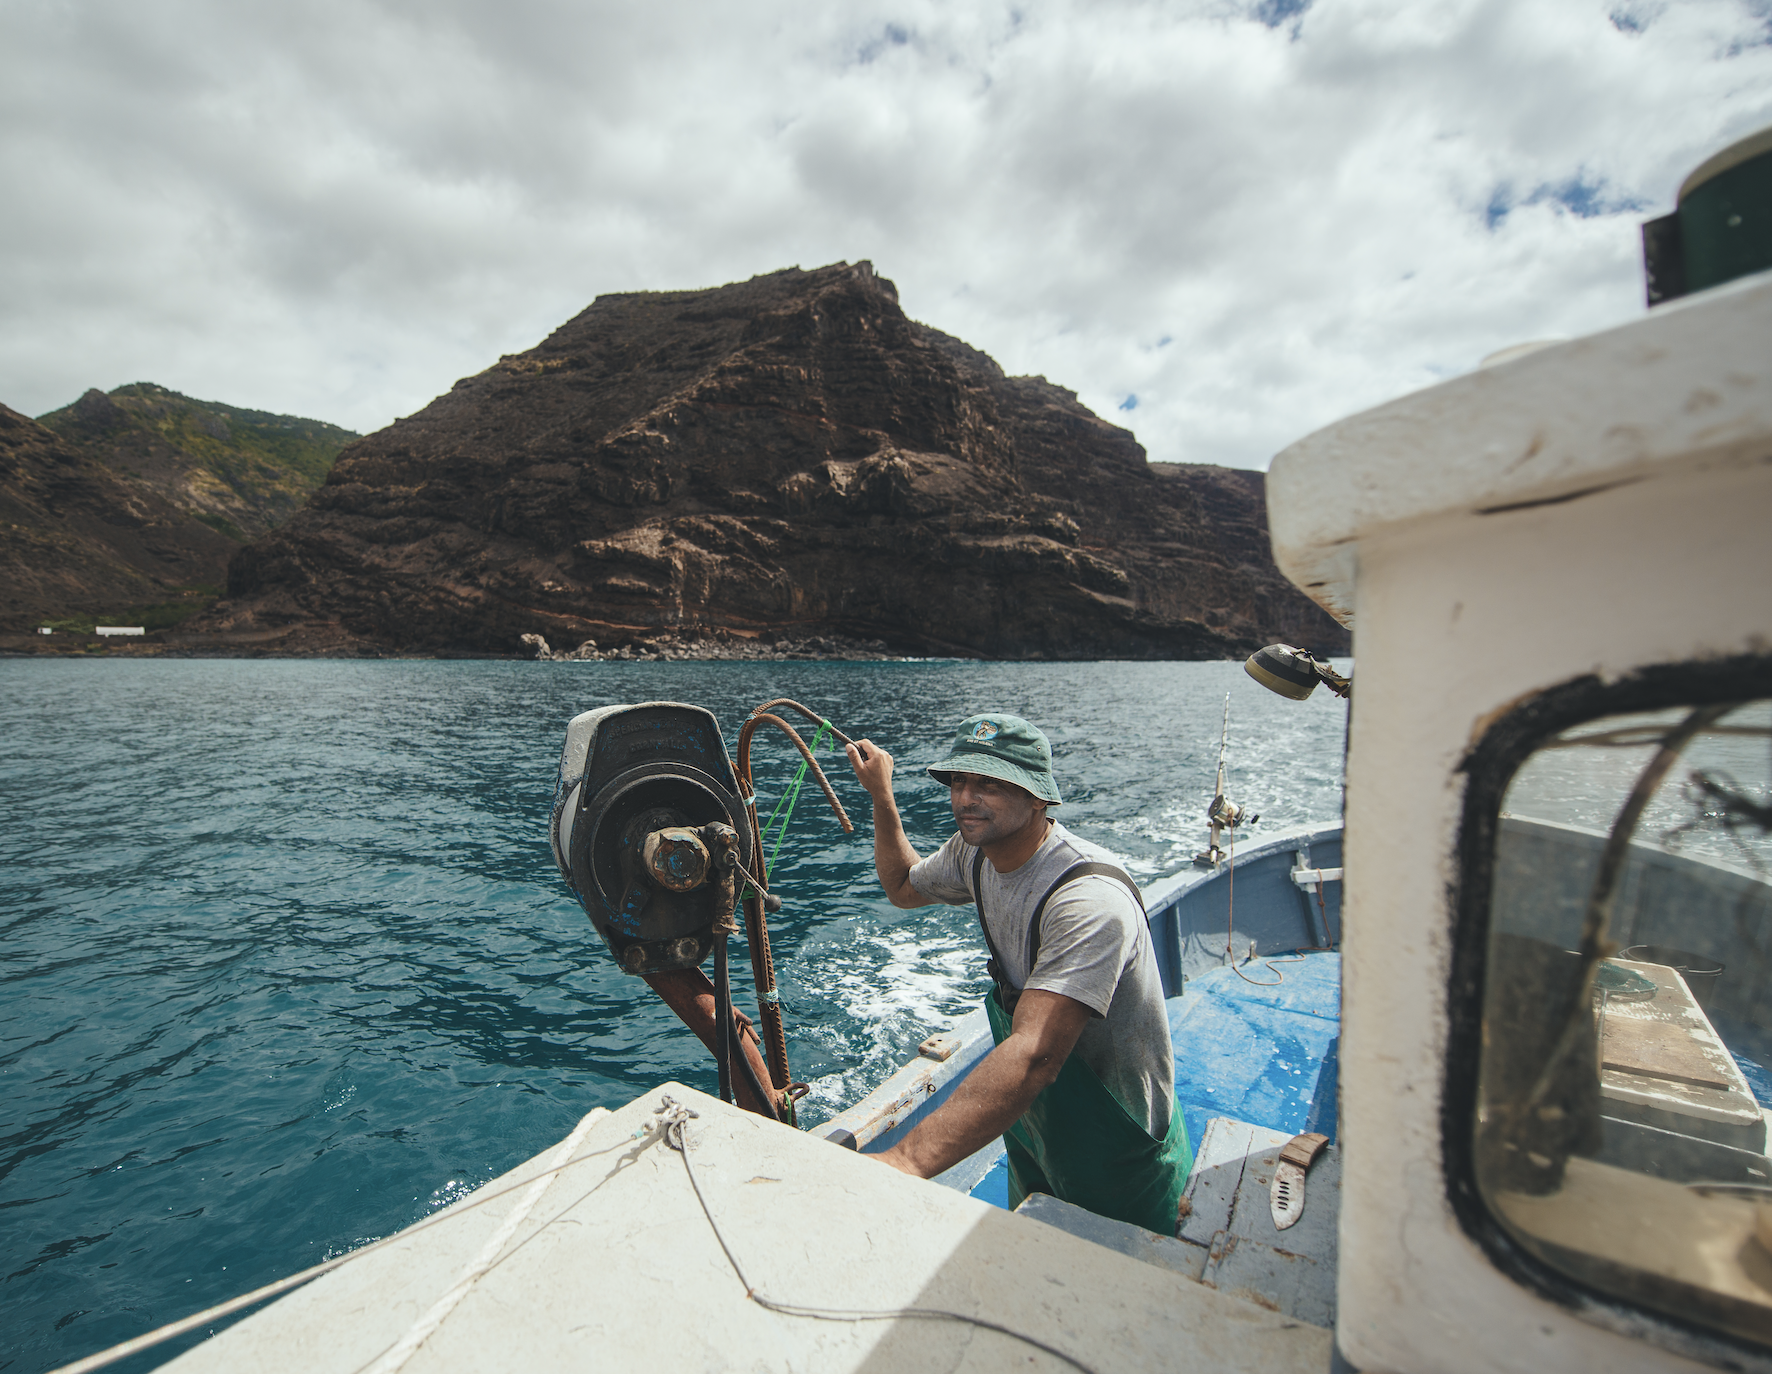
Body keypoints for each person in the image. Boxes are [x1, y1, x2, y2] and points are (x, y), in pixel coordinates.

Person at [844, 713, 1191, 1234]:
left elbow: (1032, 1055)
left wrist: (906, 1161)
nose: (966, 798)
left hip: (1117, 1141)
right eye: (960, 781)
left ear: (1038, 797)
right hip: (1033, 1127)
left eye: (990, 783)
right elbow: (902, 887)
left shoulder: (1088, 899)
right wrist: (881, 794)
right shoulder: (974, 853)